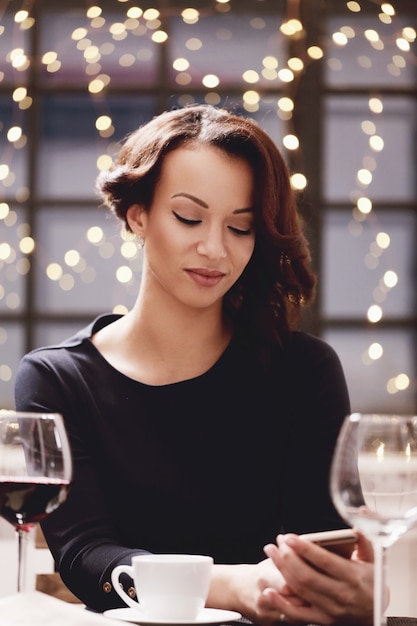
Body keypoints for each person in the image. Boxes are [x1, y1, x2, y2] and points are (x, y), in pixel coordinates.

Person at [15, 104, 374, 624]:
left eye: (241, 227)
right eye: (189, 217)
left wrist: (360, 592)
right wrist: (238, 585)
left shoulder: (304, 371)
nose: (214, 249)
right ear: (138, 214)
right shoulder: (58, 380)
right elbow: (87, 557)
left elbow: (319, 548)